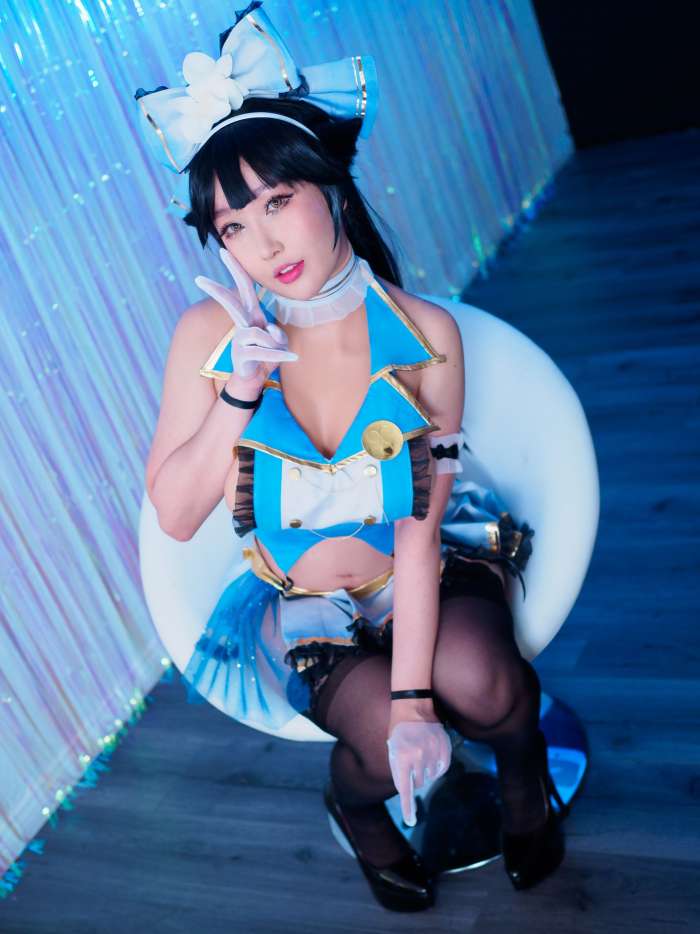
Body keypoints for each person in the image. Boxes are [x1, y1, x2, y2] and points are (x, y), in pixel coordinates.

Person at [137, 2, 568, 912]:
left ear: (329, 185)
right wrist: (239, 393)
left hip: (422, 569)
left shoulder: (425, 332)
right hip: (305, 605)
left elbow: (418, 531)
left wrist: (418, 701)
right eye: (233, 226)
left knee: (485, 686)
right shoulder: (208, 335)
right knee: (374, 742)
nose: (264, 245)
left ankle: (525, 773)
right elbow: (174, 516)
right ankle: (360, 815)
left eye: (278, 202)